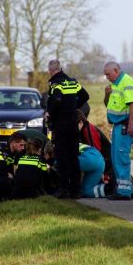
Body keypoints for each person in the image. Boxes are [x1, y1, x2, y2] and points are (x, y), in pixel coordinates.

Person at [45, 59, 89, 199]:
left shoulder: (55, 83)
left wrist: (49, 113)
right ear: (61, 68)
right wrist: (74, 107)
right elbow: (85, 96)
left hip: (61, 125)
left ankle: (63, 189)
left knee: (61, 157)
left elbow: (56, 100)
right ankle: (76, 190)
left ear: (50, 70)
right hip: (73, 124)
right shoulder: (73, 81)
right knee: (73, 157)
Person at [103, 61, 133, 200]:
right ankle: (123, 189)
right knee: (115, 158)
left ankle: (124, 192)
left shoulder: (127, 82)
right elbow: (108, 105)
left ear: (116, 70)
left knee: (121, 158)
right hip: (118, 126)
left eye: (108, 74)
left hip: (125, 126)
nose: (106, 77)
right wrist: (107, 94)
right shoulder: (115, 84)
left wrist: (130, 125)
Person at [76, 109, 115, 196]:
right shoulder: (84, 129)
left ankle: (109, 188)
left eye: (75, 125)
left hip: (106, 161)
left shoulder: (88, 130)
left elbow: (95, 151)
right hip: (102, 161)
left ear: (81, 122)